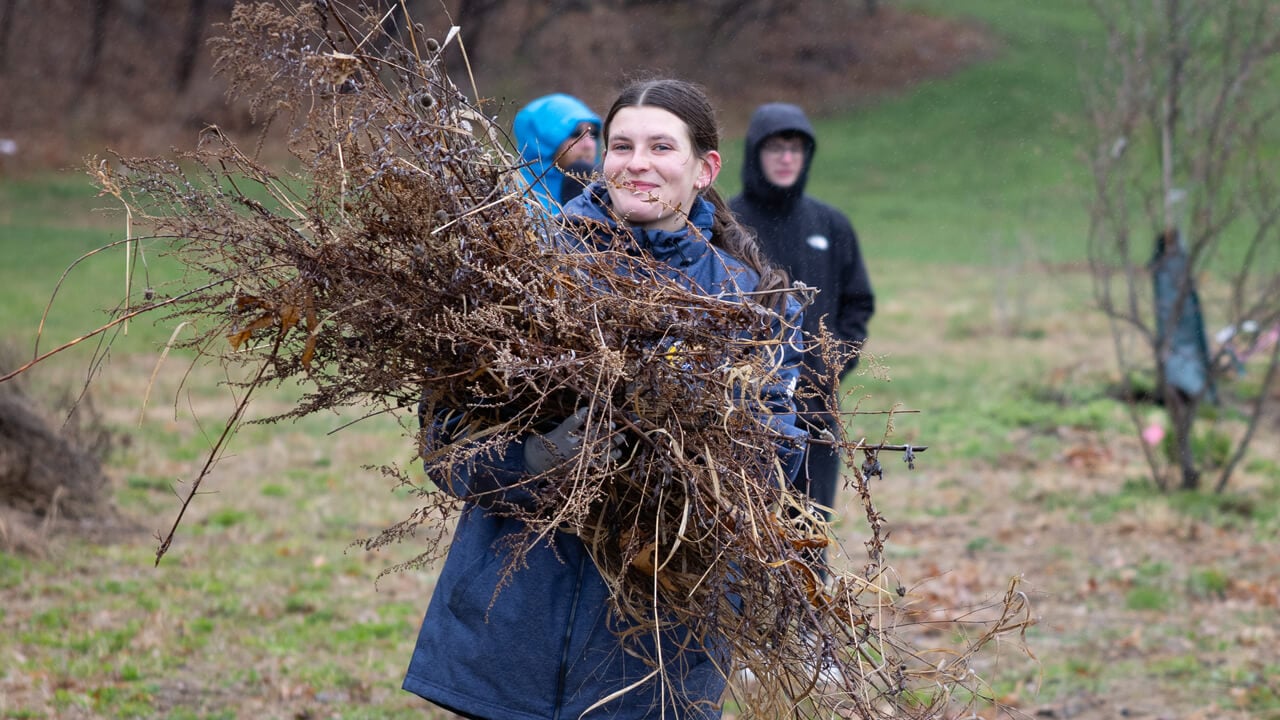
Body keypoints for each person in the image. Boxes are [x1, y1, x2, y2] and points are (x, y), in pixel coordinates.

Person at [402, 79, 808, 720]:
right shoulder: (526, 274)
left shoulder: (750, 302)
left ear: (704, 169)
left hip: (654, 647)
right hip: (512, 629)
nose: (637, 162)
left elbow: (775, 458)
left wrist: (678, 464)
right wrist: (536, 460)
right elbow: (443, 443)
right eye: (621, 145)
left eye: (660, 146)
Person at [729, 102, 875, 525]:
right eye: (776, 147)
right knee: (744, 537)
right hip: (742, 413)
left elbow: (857, 303)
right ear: (756, 153)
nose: (787, 158)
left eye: (796, 148)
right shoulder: (728, 223)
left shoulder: (830, 225)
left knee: (807, 534)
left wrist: (829, 367)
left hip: (815, 413)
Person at [512, 92, 601, 214]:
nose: (589, 145)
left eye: (593, 134)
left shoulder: (611, 194)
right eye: (576, 133)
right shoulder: (513, 199)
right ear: (542, 141)